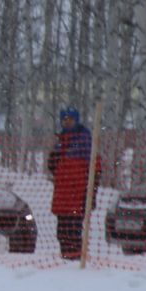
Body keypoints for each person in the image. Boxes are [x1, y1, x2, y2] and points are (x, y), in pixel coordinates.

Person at [46, 106, 99, 259]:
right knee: (62, 231)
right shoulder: (61, 141)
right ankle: (66, 257)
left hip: (77, 196)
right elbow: (54, 168)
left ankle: (75, 259)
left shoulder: (84, 140)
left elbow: (95, 169)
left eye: (70, 119)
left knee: (73, 230)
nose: (67, 122)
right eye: (64, 120)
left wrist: (92, 193)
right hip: (63, 197)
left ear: (76, 120)